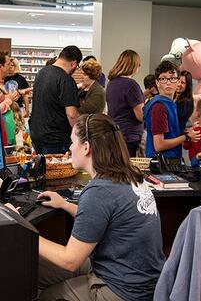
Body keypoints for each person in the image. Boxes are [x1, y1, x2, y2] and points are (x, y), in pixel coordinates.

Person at [33, 114, 165, 301]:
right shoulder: (131, 175)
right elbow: (104, 219)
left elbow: (69, 260)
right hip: (143, 280)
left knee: (47, 295)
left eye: (72, 142)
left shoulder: (99, 191)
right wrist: (65, 204)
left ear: (86, 147)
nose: (70, 148)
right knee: (38, 269)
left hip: (123, 291)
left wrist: (24, 230)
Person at [29, 46, 82, 154]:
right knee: (58, 170)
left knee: (42, 169)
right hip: (56, 139)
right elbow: (71, 114)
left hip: (37, 134)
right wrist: (80, 135)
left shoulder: (41, 73)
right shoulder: (66, 80)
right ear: (74, 63)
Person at [143, 61, 201, 160]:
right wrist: (186, 137)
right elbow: (159, 145)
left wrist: (187, 132)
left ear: (178, 82)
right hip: (161, 164)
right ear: (157, 82)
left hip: (169, 161)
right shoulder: (159, 107)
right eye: (164, 79)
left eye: (172, 78)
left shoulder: (169, 103)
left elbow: (170, 133)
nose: (168, 82)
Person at [106, 50, 144, 157]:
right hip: (129, 135)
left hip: (115, 133)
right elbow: (140, 116)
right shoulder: (131, 85)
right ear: (134, 65)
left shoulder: (111, 83)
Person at [174, 70, 194, 134]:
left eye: (182, 82)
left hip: (177, 136)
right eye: (178, 81)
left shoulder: (187, 102)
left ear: (187, 85)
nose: (179, 84)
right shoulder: (171, 97)